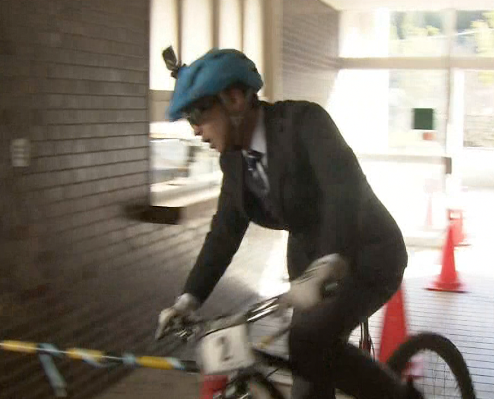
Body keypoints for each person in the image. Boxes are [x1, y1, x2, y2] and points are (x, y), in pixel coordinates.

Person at [153, 48, 420, 399]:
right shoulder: (233, 161)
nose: (196, 131)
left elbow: (344, 190)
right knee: (306, 372)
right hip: (309, 265)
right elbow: (224, 232)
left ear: (234, 98)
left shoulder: (304, 123)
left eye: (198, 115)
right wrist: (188, 300)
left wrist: (329, 261)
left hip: (367, 252)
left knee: (309, 341)